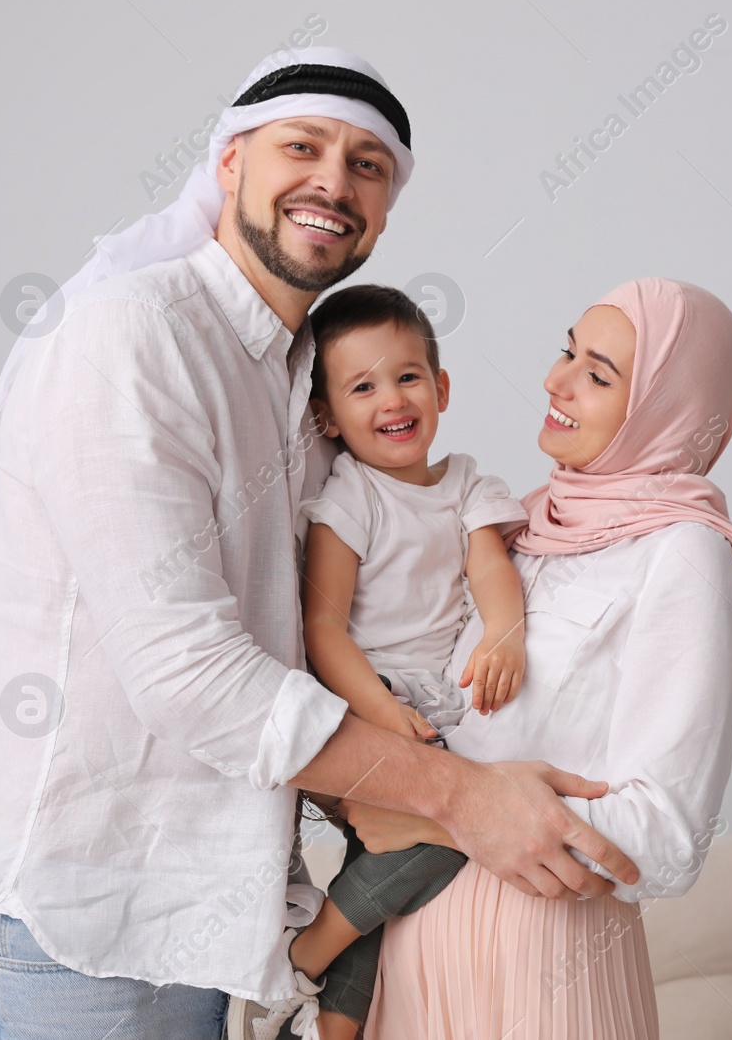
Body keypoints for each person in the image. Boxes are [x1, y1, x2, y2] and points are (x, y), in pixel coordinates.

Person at [0, 47, 637, 1040]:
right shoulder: (130, 338)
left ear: (385, 210)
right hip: (93, 929)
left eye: (367, 165)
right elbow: (186, 670)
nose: (332, 181)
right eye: (300, 147)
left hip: (225, 927)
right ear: (228, 165)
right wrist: (461, 795)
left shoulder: (309, 384)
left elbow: (358, 605)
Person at [352, 277, 732, 1039]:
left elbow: (667, 835)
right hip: (413, 942)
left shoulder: (684, 554)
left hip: (545, 963)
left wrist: (439, 812)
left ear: (668, 407)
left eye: (598, 374)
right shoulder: (522, 525)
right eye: (567, 352)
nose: (556, 381)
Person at [228, 284, 532, 1039]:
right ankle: (309, 949)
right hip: (377, 698)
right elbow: (323, 625)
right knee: (455, 834)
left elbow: (492, 570)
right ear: (327, 417)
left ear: (441, 388)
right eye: (362, 386)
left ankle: (323, 1016)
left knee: (385, 871)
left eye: (406, 376)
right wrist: (377, 709)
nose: (391, 398)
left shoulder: (465, 483)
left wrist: (505, 633)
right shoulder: (351, 494)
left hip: (442, 704)